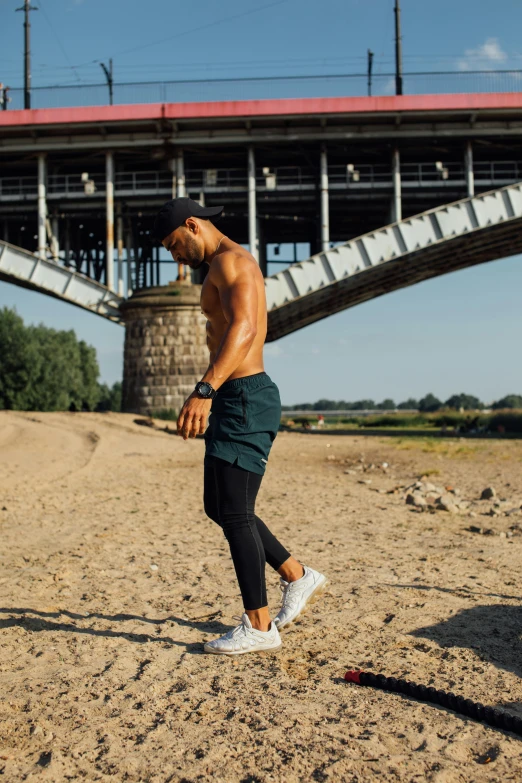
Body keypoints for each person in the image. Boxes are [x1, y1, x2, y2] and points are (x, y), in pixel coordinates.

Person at [154, 197, 328, 656]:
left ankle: (260, 626)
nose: (174, 257)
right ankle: (298, 575)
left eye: (174, 245)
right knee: (220, 505)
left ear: (192, 226)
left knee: (234, 512)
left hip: (244, 396)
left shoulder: (231, 263)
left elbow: (245, 330)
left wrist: (204, 390)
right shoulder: (220, 265)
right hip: (235, 397)